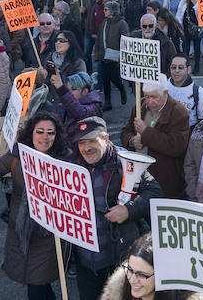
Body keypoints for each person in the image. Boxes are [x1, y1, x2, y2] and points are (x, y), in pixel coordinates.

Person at [0, 111, 71, 300]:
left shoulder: (65, 159)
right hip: (21, 230)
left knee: (37, 284)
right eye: (40, 131)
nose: (45, 138)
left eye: (50, 133)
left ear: (57, 136)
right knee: (37, 284)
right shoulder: (17, 156)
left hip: (49, 235)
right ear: (31, 132)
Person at [73, 116, 162, 300]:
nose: (86, 148)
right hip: (85, 262)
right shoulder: (71, 163)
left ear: (105, 139)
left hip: (117, 257)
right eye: (82, 142)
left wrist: (129, 211)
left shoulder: (125, 161)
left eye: (92, 141)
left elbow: (155, 191)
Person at [120, 79, 190, 198]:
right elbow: (125, 132)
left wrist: (145, 132)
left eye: (154, 97)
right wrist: (131, 140)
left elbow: (177, 147)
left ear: (166, 93)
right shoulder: (139, 105)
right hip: (137, 175)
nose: (150, 101)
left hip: (164, 178)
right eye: (147, 96)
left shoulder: (179, 112)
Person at [99, 233, 203, 300]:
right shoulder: (119, 291)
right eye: (130, 270)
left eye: (142, 275)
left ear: (163, 276)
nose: (132, 280)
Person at [51, 72, 104, 144]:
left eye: (73, 89)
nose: (68, 93)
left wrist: (61, 88)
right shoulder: (65, 104)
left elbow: (79, 113)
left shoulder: (94, 106)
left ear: (85, 91)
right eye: (67, 89)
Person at [94, 1, 128, 110]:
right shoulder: (105, 22)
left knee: (115, 78)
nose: (104, 11)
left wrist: (122, 57)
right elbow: (100, 38)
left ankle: (122, 89)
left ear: (112, 12)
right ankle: (108, 103)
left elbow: (125, 40)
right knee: (105, 80)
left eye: (106, 9)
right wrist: (98, 54)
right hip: (105, 55)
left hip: (116, 57)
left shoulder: (122, 23)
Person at [166, 54, 203, 129]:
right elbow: (153, 117)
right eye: (173, 67)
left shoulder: (200, 94)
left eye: (181, 68)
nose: (176, 71)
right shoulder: (162, 89)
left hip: (189, 137)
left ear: (188, 69)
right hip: (165, 136)